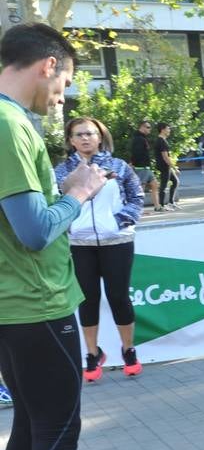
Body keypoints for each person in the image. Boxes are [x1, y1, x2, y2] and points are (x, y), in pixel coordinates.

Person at [0, 22, 163, 450]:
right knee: (56, 432)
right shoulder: (9, 124)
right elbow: (34, 231)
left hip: (15, 307)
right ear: (47, 65)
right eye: (64, 82)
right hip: (34, 306)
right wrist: (77, 192)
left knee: (28, 428)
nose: (62, 97)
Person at [54, 117, 144, 382]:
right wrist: (71, 226)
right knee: (87, 298)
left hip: (117, 241)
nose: (85, 139)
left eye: (90, 134)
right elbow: (55, 201)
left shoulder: (118, 166)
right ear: (71, 140)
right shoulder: (61, 171)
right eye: (79, 134)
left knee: (118, 296)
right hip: (80, 244)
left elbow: (137, 198)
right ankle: (92, 355)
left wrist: (117, 223)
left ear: (100, 137)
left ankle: (128, 350)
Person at [130, 119, 160, 211]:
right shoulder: (138, 139)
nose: (149, 129)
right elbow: (136, 153)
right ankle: (138, 209)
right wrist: (133, 163)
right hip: (141, 167)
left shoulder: (143, 138)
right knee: (141, 189)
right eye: (147, 127)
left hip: (146, 167)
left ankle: (157, 206)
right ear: (142, 127)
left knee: (154, 184)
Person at [154, 123, 180, 210]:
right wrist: (174, 167)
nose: (169, 130)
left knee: (175, 181)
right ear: (162, 129)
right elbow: (165, 157)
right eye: (168, 128)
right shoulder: (161, 141)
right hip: (164, 166)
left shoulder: (162, 140)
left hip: (165, 166)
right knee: (164, 185)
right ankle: (161, 205)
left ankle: (171, 202)